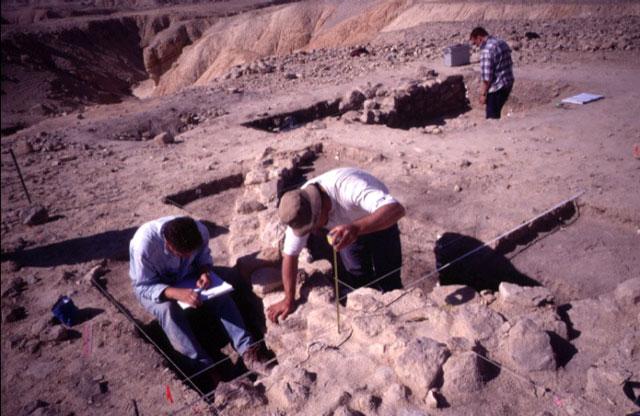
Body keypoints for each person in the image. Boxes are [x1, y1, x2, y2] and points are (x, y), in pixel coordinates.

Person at [129, 216, 269, 376]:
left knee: (220, 294)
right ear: (168, 245)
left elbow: (203, 257)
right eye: (183, 255)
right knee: (168, 311)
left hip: (188, 276)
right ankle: (205, 369)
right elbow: (143, 286)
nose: (188, 258)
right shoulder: (143, 246)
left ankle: (248, 351)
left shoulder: (199, 231)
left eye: (191, 254)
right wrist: (175, 293)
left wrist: (204, 272)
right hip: (155, 286)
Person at [267, 167, 406, 323]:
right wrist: (288, 299)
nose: (313, 232)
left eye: (313, 226)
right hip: (348, 229)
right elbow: (290, 256)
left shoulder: (348, 188)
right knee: (357, 275)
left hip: (381, 222)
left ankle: (398, 318)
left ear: (320, 210)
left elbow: (396, 209)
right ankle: (372, 317)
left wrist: (356, 228)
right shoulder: (299, 210)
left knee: (389, 275)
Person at [469, 26, 514, 119]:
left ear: (479, 38)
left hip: (497, 87)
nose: (476, 46)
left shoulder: (487, 51)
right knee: (497, 110)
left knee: (492, 117)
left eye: (475, 43)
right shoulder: (501, 42)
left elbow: (487, 78)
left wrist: (483, 94)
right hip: (508, 82)